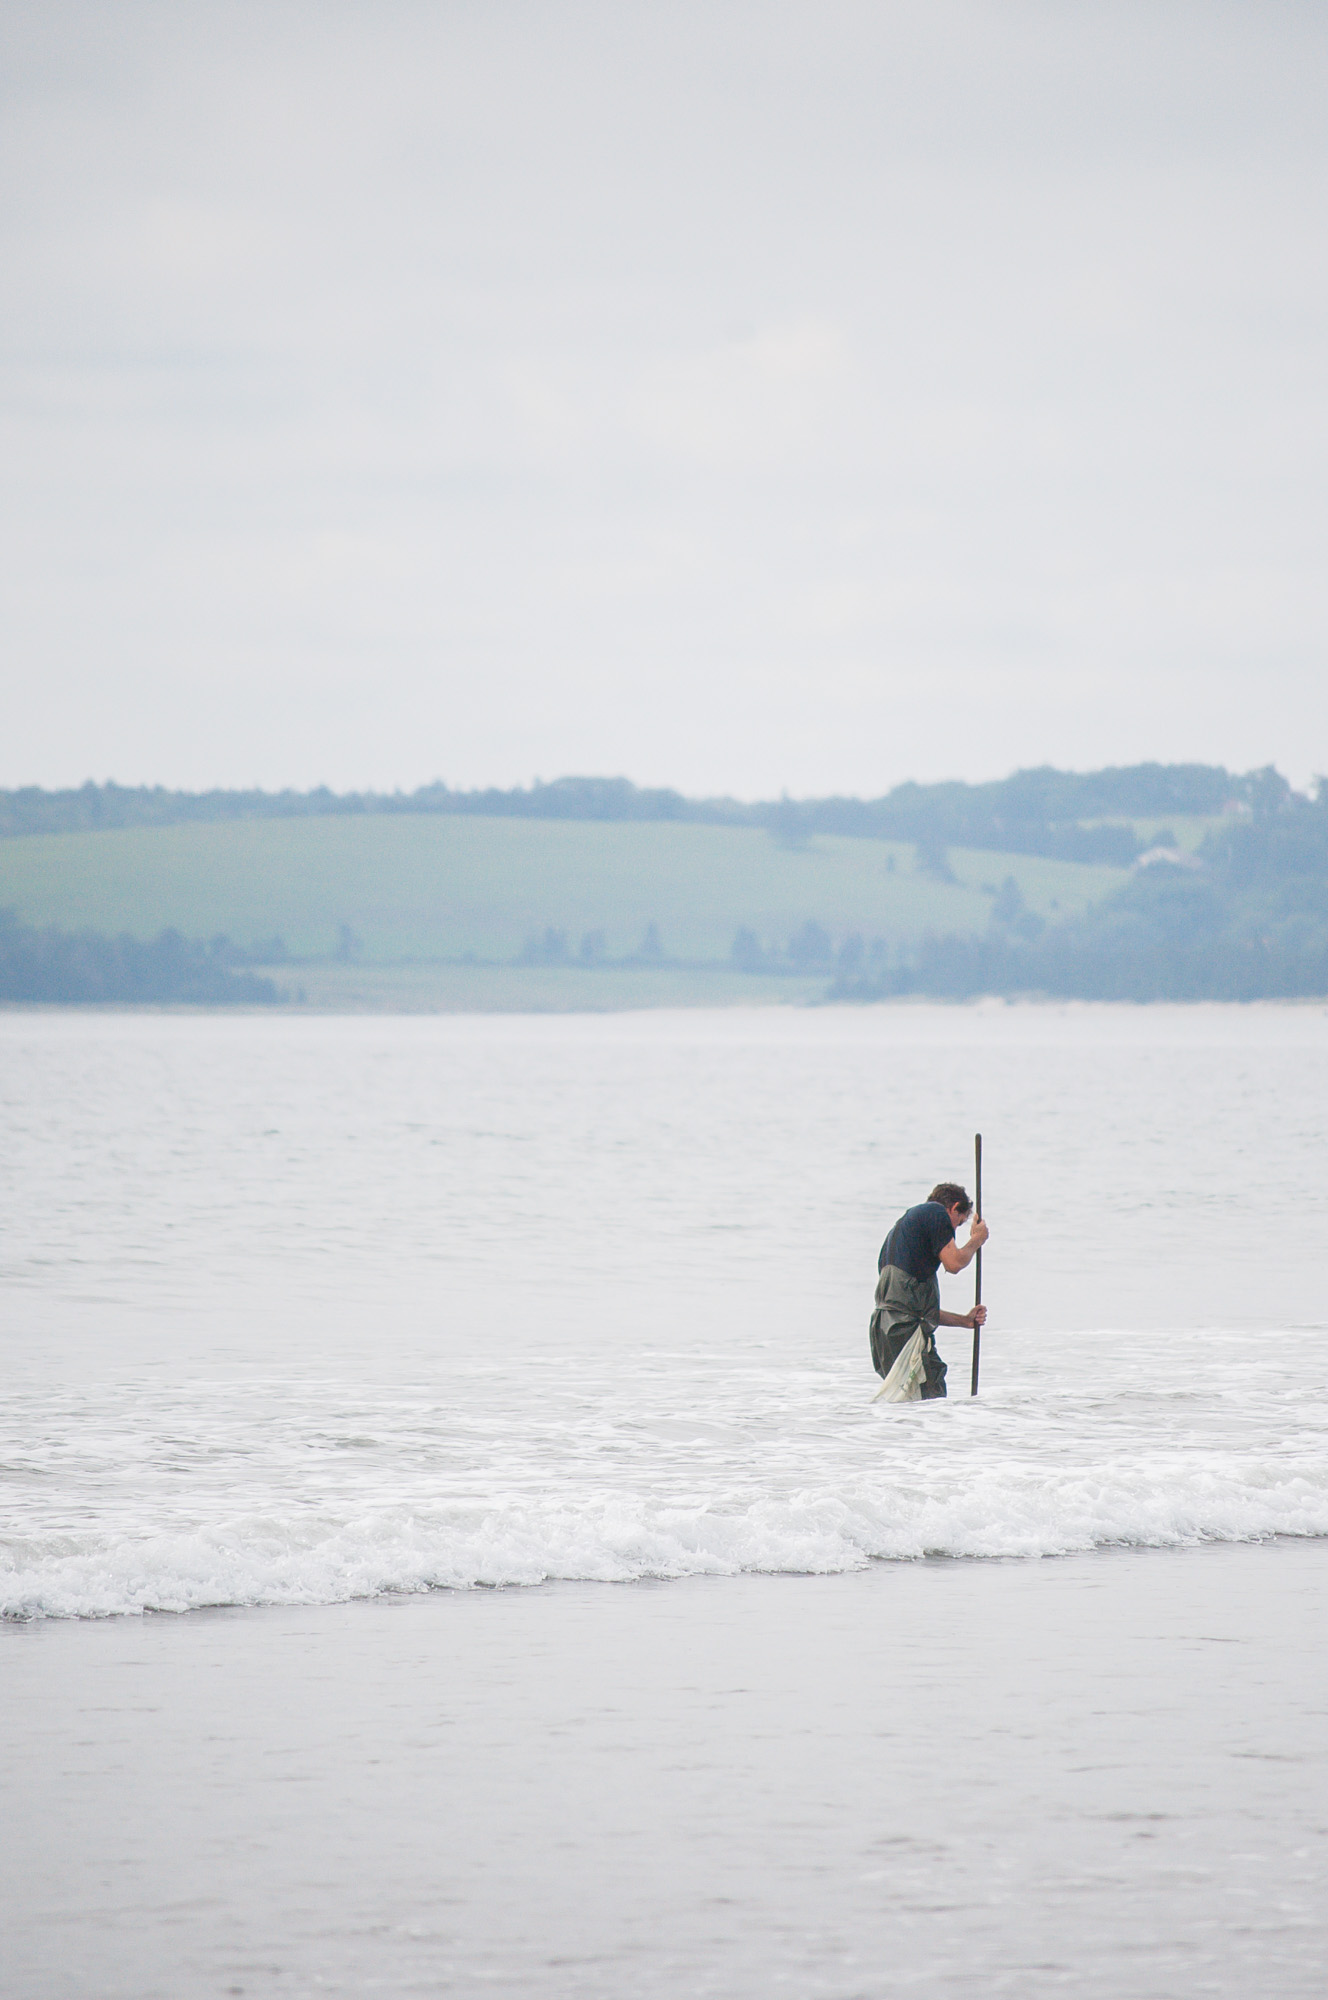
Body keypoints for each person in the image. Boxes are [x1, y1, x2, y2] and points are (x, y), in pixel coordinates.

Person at [870, 1182, 989, 1399]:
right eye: (958, 1223)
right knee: (931, 1395)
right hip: (903, 1331)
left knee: (907, 1402)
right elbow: (954, 1264)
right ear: (954, 1208)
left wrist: (965, 1321)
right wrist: (976, 1241)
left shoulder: (901, 1240)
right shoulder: (935, 1212)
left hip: (885, 1332)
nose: (953, 1231)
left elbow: (915, 1312)